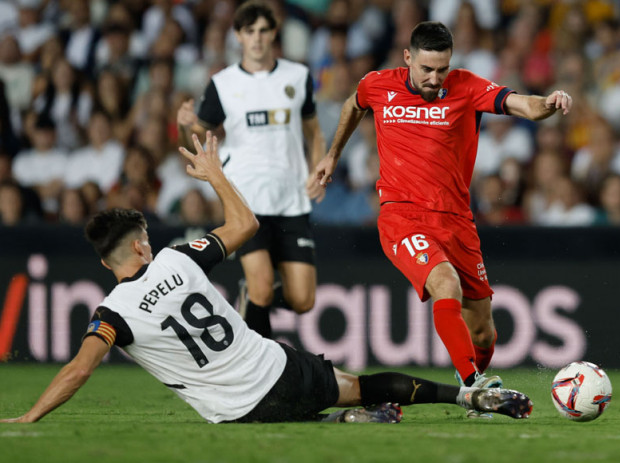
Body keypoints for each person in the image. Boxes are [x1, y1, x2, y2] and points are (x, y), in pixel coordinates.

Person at [0, 132, 532, 425]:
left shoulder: (112, 314)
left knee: (290, 410)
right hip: (279, 371)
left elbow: (78, 370)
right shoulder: (181, 259)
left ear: (104, 263)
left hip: (237, 414)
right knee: (360, 385)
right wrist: (215, 175)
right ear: (142, 244)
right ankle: (463, 397)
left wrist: (30, 416)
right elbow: (245, 225)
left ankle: (331, 423)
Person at [314, 21, 571, 418]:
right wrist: (332, 155)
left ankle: (474, 390)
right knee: (444, 282)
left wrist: (549, 102)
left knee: (484, 331)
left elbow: (523, 104)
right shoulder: (378, 84)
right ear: (408, 58)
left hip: (455, 221)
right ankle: (473, 386)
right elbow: (353, 104)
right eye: (426, 69)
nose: (435, 79)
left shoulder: (467, 87)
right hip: (401, 216)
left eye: (442, 69)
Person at [177, 1, 326, 339]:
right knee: (260, 291)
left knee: (302, 300)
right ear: (238, 37)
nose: (257, 38)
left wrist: (319, 167)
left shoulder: (297, 76)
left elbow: (313, 130)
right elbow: (197, 141)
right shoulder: (223, 84)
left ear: (274, 33)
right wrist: (184, 126)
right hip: (245, 198)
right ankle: (266, 374)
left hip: (291, 198)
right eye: (249, 32)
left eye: (263, 31)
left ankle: (250, 300)